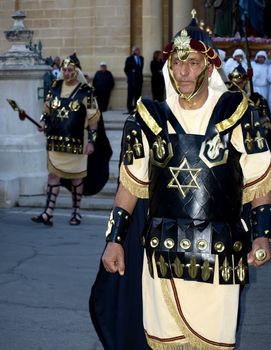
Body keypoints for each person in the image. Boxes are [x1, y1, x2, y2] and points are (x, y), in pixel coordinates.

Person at [94, 11, 271, 350]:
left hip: (218, 256)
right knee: (164, 343)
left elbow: (259, 182)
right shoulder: (150, 118)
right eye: (177, 63)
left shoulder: (236, 115)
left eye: (191, 62)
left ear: (208, 65)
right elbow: (131, 185)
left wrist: (263, 236)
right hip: (163, 256)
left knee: (215, 343)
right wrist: (114, 240)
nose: (183, 71)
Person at [31, 53, 100, 226]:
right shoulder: (54, 87)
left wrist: (91, 141)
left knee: (77, 178)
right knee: (53, 176)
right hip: (55, 141)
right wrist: (41, 122)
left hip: (78, 142)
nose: (67, 73)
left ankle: (76, 212)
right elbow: (46, 111)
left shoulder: (87, 92)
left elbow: (93, 120)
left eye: (70, 70)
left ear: (76, 71)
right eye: (65, 70)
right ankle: (48, 213)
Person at [124, 46, 144, 114]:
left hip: (139, 81)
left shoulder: (141, 58)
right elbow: (126, 69)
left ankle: (137, 108)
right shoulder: (129, 59)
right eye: (136, 50)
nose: (138, 51)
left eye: (138, 50)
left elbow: (140, 69)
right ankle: (129, 109)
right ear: (133, 51)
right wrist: (130, 76)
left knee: (138, 96)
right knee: (130, 95)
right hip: (132, 81)